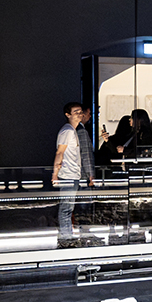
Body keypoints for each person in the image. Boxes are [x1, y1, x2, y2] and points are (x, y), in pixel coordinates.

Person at [52, 102, 93, 242]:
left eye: (80, 112)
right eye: (76, 112)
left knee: (68, 207)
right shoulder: (68, 131)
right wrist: (55, 174)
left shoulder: (73, 130)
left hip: (72, 175)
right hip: (68, 175)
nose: (79, 114)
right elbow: (60, 152)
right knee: (66, 208)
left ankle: (67, 237)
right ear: (68, 114)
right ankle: (66, 238)